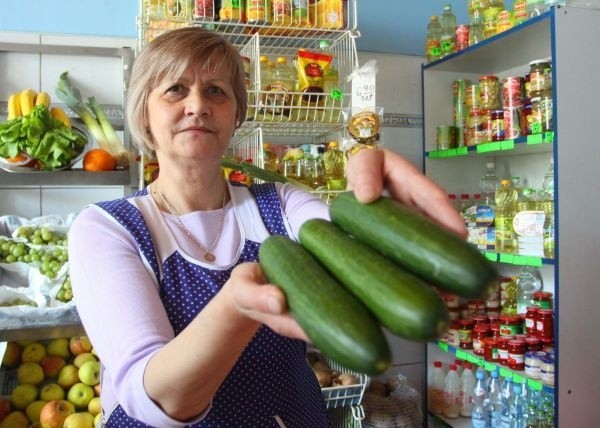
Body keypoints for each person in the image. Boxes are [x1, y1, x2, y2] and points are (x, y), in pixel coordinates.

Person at [68, 27, 465, 428]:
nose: (198, 105)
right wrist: (237, 307)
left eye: (216, 91)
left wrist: (383, 214)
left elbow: (356, 257)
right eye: (175, 89)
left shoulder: (282, 204)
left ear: (236, 114)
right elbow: (156, 396)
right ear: (144, 114)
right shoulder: (108, 228)